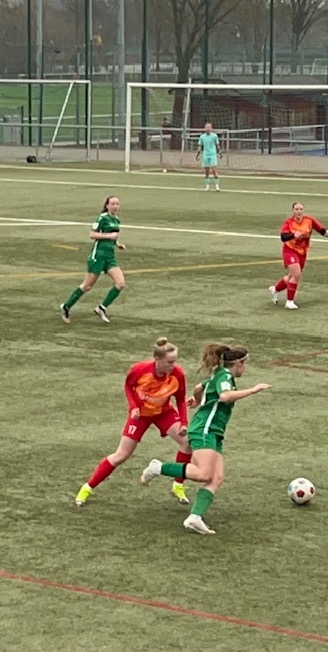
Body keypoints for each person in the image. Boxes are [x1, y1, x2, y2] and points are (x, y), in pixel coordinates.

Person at [138, 343, 270, 535]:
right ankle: (158, 467)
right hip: (205, 429)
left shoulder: (220, 374)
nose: (246, 367)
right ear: (238, 363)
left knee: (217, 478)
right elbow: (225, 396)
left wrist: (198, 399)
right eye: (245, 363)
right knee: (204, 474)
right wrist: (253, 390)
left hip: (215, 432)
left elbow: (200, 387)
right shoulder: (225, 376)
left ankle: (195, 517)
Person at [75, 338, 194, 508]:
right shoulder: (140, 370)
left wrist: (183, 422)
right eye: (170, 362)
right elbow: (128, 387)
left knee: (187, 442)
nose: (173, 365)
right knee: (121, 455)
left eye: (175, 361)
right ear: (157, 359)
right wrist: (134, 407)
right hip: (141, 415)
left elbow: (180, 399)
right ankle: (87, 488)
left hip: (164, 413)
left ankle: (178, 485)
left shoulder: (177, 374)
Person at [61, 196, 125, 324]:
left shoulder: (117, 220)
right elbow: (92, 234)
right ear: (107, 205)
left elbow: (114, 236)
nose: (115, 206)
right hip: (98, 256)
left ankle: (101, 308)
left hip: (110, 257)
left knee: (120, 283)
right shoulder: (102, 218)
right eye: (112, 204)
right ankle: (66, 306)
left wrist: (117, 244)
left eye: (117, 204)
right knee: (87, 286)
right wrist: (109, 236)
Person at [268, 202, 328, 310]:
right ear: (293, 211)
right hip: (290, 250)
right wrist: (293, 235)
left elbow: (320, 228)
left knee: (291, 277)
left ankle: (275, 289)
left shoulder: (309, 220)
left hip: (302, 252)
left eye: (300, 209)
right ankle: (289, 301)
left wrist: (325, 232)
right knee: (296, 274)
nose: (299, 211)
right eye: (296, 209)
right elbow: (283, 237)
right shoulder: (289, 222)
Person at [195, 121, 221, 191]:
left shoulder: (214, 136)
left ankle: (217, 185)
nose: (208, 129)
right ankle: (207, 186)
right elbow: (200, 146)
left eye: (209, 127)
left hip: (213, 154)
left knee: (214, 170)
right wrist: (198, 153)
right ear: (204, 128)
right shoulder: (202, 137)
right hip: (205, 155)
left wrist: (219, 151)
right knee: (207, 172)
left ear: (211, 128)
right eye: (207, 127)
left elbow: (217, 144)